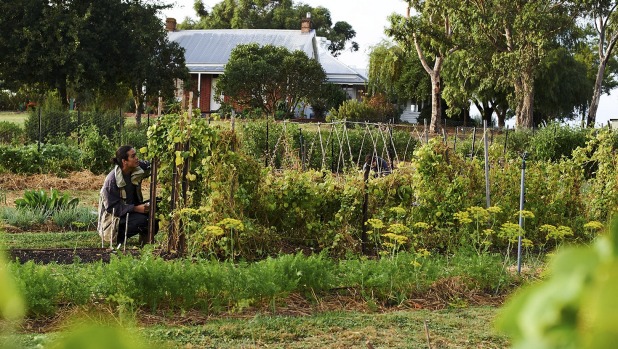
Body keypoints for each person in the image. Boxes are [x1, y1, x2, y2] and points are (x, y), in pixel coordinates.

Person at [97, 145, 154, 247]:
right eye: (133, 156)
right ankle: (119, 238)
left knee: (156, 207)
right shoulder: (112, 181)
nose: (137, 158)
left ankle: (145, 241)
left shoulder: (135, 167)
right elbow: (113, 208)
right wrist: (136, 208)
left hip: (129, 212)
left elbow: (150, 165)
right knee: (145, 220)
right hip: (114, 222)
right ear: (124, 161)